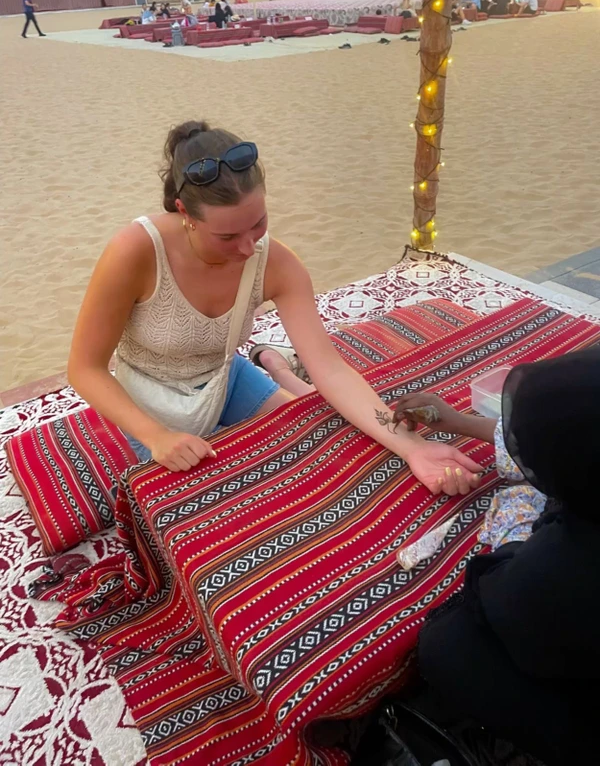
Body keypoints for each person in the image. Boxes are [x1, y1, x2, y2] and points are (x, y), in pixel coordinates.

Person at [68, 120, 482, 493]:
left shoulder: (276, 263)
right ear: (184, 213)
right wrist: (156, 436)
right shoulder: (136, 251)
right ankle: (274, 366)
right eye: (227, 237)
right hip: (148, 396)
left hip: (223, 377)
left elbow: (331, 370)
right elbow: (84, 368)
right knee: (195, 494)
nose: (248, 248)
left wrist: (412, 448)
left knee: (321, 439)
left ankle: (274, 365)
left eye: (258, 224)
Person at [405, 350, 600, 766]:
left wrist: (514, 544)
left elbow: (499, 600)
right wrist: (457, 421)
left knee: (447, 643)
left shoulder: (560, 566)